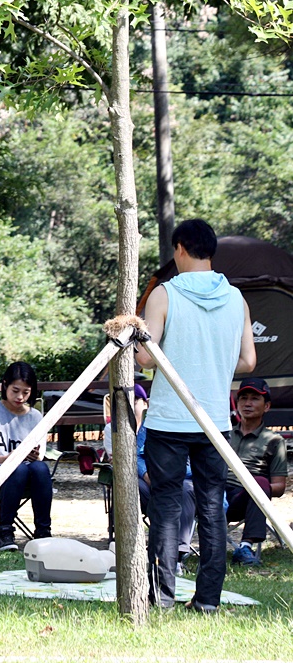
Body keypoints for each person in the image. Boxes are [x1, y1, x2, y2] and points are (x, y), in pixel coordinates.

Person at [135, 218, 257, 612]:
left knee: (166, 506)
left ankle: (162, 597)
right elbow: (248, 361)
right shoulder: (236, 298)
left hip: (169, 420)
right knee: (211, 507)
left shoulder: (164, 294)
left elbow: (144, 358)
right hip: (215, 422)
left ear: (180, 248)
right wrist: (212, 362)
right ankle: (207, 601)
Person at [0, 361, 54, 551]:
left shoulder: (35, 417)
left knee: (40, 468)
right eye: (15, 390)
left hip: (30, 472)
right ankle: (5, 530)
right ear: (5, 385)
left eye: (26, 392)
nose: (20, 397)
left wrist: (33, 455)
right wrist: (11, 457)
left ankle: (43, 532)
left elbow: (40, 456)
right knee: (17, 469)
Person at [129, 384, 198, 568]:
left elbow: (198, 466)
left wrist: (167, 476)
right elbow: (137, 456)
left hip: (183, 484)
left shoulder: (194, 425)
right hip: (154, 483)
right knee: (132, 486)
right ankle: (132, 547)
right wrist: (146, 474)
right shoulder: (150, 425)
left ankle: (177, 554)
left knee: (184, 490)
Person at [226, 377, 288, 566]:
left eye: (254, 398)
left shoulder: (274, 441)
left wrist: (259, 488)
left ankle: (245, 546)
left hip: (244, 498)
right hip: (213, 493)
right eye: (243, 398)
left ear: (266, 406)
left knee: (260, 482)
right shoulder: (223, 434)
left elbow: (279, 487)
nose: (247, 403)